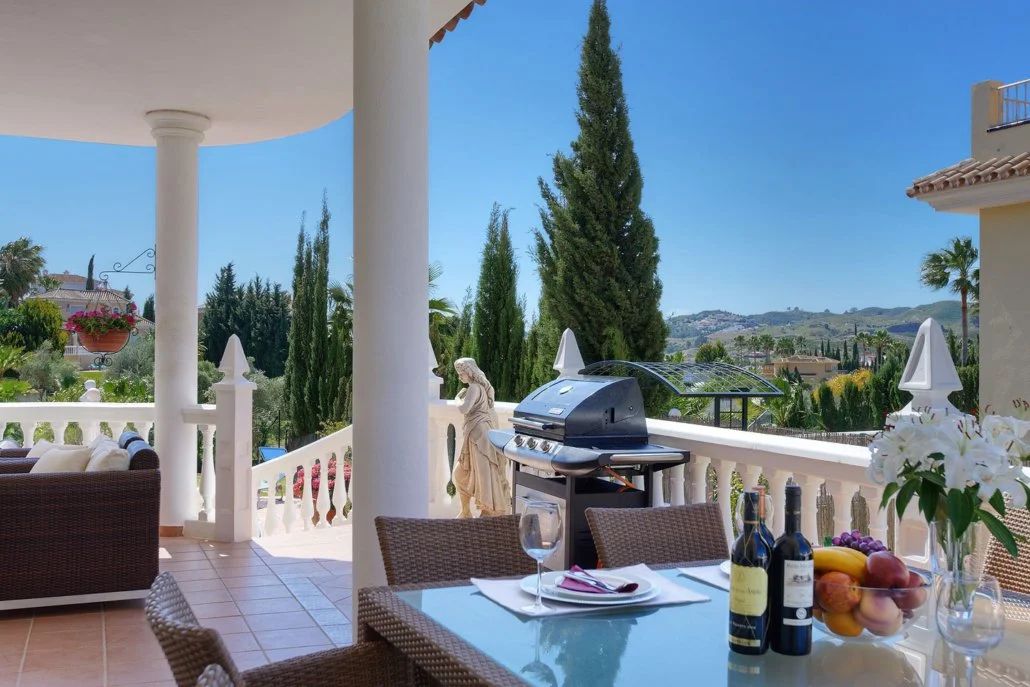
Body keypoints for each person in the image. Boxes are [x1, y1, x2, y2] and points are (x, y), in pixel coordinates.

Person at [452, 357, 510, 517]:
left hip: (479, 437)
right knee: (461, 473)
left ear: (469, 371)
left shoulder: (474, 388)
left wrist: (457, 400)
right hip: (475, 435)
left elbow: (464, 409)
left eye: (461, 372)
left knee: (483, 475)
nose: (460, 377)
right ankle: (465, 511)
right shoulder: (478, 388)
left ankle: (487, 511)